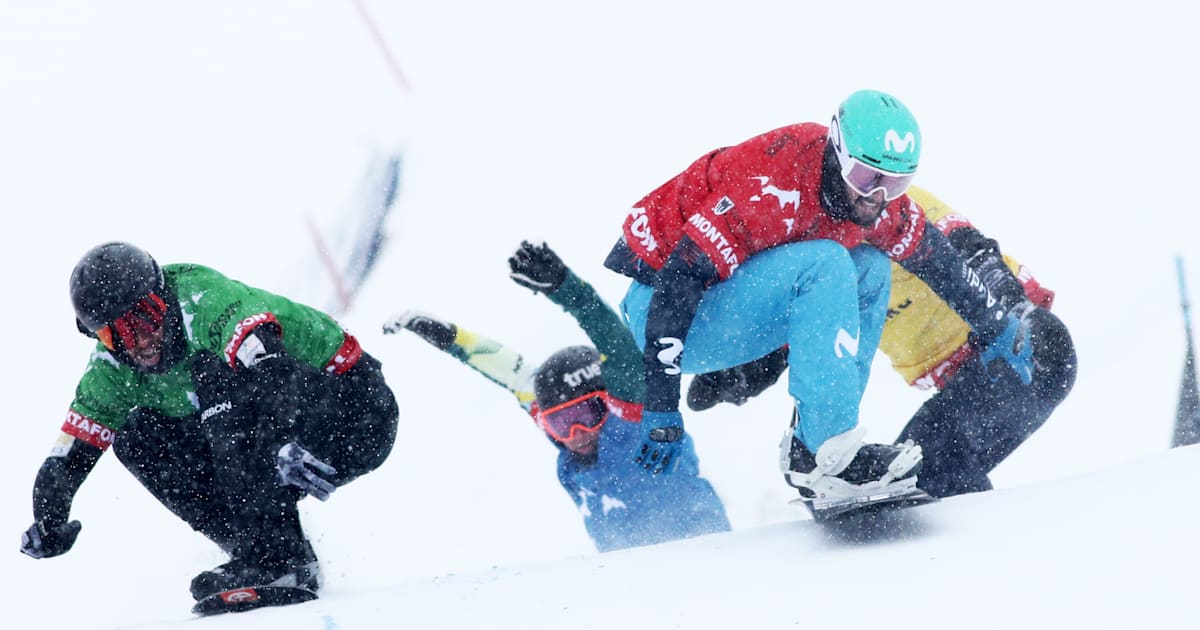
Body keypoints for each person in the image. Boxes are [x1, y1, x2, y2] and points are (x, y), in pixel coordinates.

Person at [602, 89, 1039, 506]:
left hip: (724, 297)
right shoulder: (772, 181)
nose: (877, 197)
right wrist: (662, 404)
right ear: (837, 151)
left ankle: (820, 448)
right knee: (828, 261)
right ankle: (828, 454)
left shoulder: (875, 204)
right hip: (662, 308)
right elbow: (678, 281)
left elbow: (934, 257)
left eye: (896, 182)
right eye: (867, 176)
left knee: (870, 268)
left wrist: (999, 326)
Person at [19, 242, 399, 605]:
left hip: (356, 411)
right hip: (279, 429)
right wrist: (49, 520)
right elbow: (69, 455)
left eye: (145, 316)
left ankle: (274, 556)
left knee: (214, 373)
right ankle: (263, 550)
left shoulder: (203, 302)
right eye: (115, 332)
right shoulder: (113, 367)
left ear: (163, 297)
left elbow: (273, 372)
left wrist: (285, 438)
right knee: (136, 437)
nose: (140, 339)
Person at [688, 186, 1078, 498]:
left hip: (1027, 349)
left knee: (917, 475)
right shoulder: (826, 266)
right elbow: (806, 337)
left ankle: (971, 554)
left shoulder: (895, 209)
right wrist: (740, 372)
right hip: (975, 376)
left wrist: (1011, 311)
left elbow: (971, 249)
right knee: (917, 482)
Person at [383, 241, 729, 552]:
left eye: (587, 415)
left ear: (608, 401)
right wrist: (449, 338)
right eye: (561, 423)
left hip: (702, 553)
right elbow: (508, 371)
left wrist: (568, 290)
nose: (576, 434)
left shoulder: (634, 420)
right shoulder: (567, 446)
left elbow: (616, 346)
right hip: (623, 575)